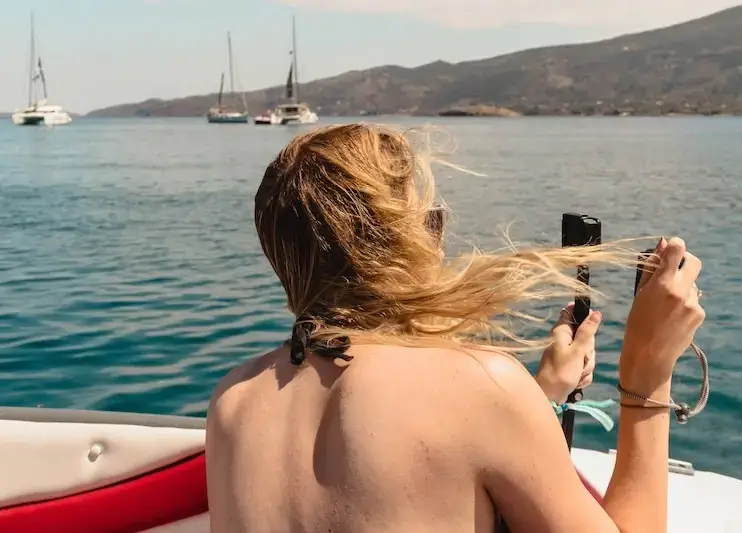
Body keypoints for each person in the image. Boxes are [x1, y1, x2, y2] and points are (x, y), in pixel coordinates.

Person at [206, 123, 705, 533]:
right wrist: (648, 373)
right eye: (434, 222)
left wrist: (543, 395)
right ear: (413, 239)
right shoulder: (480, 388)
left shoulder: (232, 402)